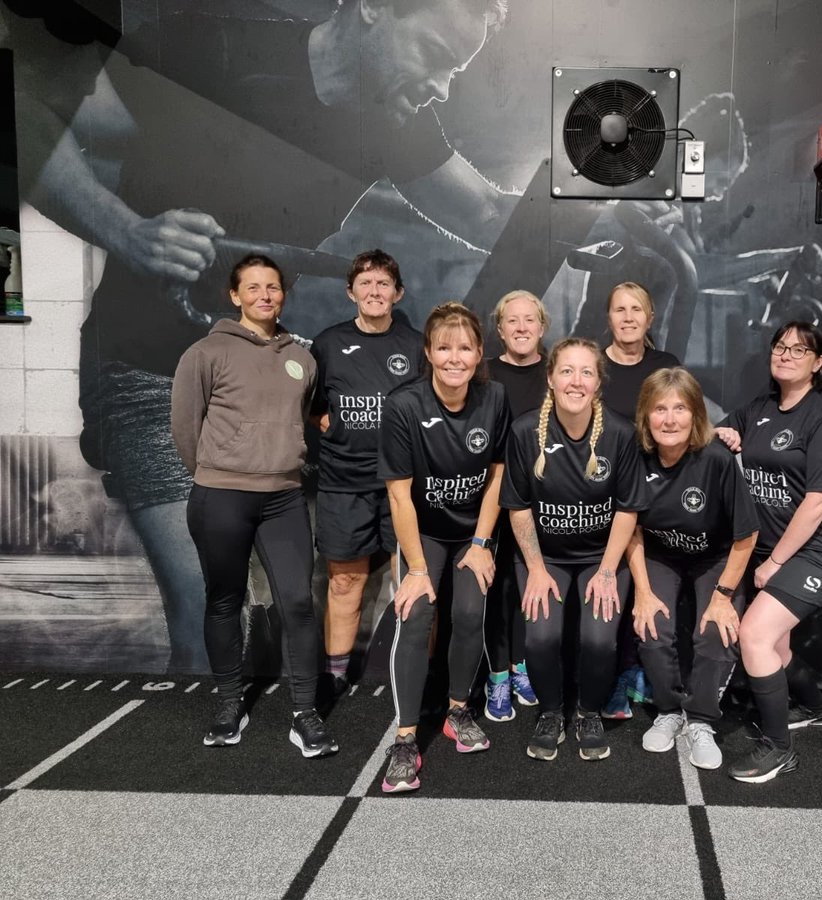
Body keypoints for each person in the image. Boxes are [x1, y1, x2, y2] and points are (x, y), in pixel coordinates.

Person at [8, 0, 513, 671]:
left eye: (457, 71)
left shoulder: (392, 119)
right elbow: (23, 114)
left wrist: (608, 207)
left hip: (257, 385)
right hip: (147, 373)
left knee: (288, 616)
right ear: (371, 11)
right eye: (437, 57)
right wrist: (127, 231)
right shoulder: (205, 43)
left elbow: (486, 209)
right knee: (214, 614)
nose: (442, 86)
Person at [170, 254, 337, 757]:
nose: (265, 295)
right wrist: (220, 472)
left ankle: (304, 714)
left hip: (284, 498)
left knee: (300, 604)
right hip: (221, 497)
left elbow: (303, 418)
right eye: (254, 287)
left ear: (283, 295)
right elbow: (185, 427)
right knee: (224, 600)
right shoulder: (205, 352)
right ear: (235, 295)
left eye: (274, 287)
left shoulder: (302, 358)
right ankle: (227, 703)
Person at [375, 302, 509, 793]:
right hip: (424, 533)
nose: (455, 357)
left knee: (471, 611)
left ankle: (457, 711)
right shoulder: (405, 405)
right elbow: (398, 494)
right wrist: (415, 568)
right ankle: (406, 738)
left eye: (465, 348)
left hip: (470, 533)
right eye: (444, 347)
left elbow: (497, 474)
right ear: (429, 353)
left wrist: (480, 542)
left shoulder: (493, 397)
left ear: (478, 354)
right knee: (417, 614)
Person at [715, 321, 822, 783]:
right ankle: (816, 706)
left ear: (818, 364)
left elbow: (818, 503)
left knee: (754, 636)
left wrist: (774, 564)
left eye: (800, 349)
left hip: (818, 550)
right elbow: (711, 434)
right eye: (780, 346)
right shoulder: (758, 409)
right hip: (772, 547)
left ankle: (778, 748)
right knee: (774, 644)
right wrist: (723, 436)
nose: (786, 354)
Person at [501, 338, 649, 762]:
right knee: (543, 635)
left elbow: (627, 510)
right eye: (567, 371)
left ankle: (588, 713)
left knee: (599, 638)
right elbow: (518, 507)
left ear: (598, 383)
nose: (576, 381)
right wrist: (535, 569)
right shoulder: (525, 431)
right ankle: (550, 713)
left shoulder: (620, 434)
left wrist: (606, 572)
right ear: (550, 378)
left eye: (586, 372)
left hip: (600, 557)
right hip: (544, 557)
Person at [627, 368, 758, 769]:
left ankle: (701, 720)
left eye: (680, 408)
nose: (670, 419)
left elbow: (746, 537)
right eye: (660, 409)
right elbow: (629, 526)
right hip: (660, 554)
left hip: (714, 557)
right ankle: (668, 710)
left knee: (717, 629)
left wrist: (722, 597)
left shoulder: (716, 458)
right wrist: (644, 592)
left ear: (696, 414)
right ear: (646, 416)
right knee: (652, 626)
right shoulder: (636, 456)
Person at [310, 249, 422, 694]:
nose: (374, 291)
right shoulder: (328, 343)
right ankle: (335, 674)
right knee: (345, 582)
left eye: (383, 284)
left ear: (398, 293)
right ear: (350, 291)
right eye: (366, 283)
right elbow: (313, 408)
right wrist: (329, 423)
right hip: (344, 484)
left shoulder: (415, 345)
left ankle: (420, 677)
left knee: (413, 583)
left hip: (404, 488)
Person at [599, 281, 681, 717]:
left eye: (636, 310)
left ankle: (637, 671)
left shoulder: (665, 364)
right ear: (608, 317)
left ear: (650, 318)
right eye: (619, 309)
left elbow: (684, 417)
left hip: (657, 491)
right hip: (606, 492)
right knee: (615, 589)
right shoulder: (594, 366)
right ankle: (611, 676)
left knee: (646, 590)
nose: (628, 317)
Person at [481, 290, 549, 721]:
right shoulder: (482, 374)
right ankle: (497, 675)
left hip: (543, 502)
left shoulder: (557, 373)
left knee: (530, 586)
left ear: (542, 327)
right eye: (512, 320)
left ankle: (522, 665)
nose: (521, 328)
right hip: (490, 497)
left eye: (530, 320)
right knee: (498, 589)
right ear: (500, 328)